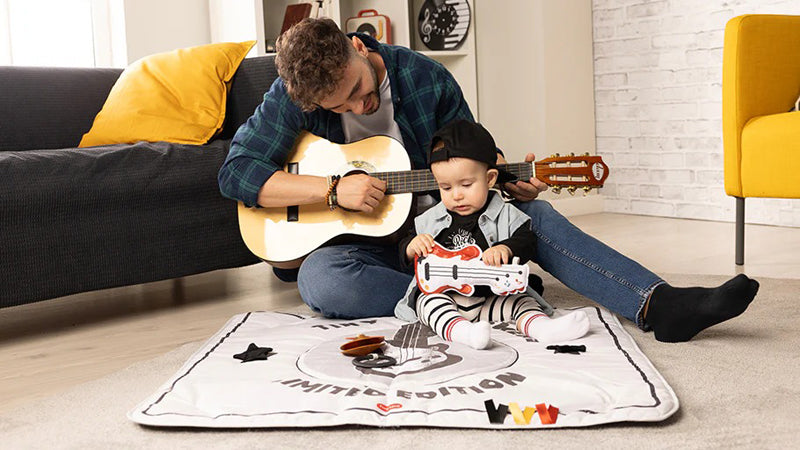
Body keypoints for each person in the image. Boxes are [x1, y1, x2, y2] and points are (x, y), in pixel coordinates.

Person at [218, 18, 759, 343]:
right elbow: (236, 173)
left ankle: (659, 306)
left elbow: (470, 158)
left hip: (446, 239)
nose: (358, 105)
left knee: (534, 217)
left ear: (361, 48)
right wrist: (333, 191)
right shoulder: (294, 96)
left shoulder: (425, 77)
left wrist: (503, 180)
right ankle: (489, 299)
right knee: (323, 280)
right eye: (340, 106)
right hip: (365, 250)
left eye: (359, 91)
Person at [396, 120, 590, 349]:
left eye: (466, 185)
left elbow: (527, 241)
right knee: (426, 302)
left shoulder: (505, 213)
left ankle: (541, 327)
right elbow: (405, 248)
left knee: (521, 301)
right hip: (450, 299)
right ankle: (462, 332)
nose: (456, 195)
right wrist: (411, 246)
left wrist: (505, 248)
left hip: (492, 297)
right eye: (446, 188)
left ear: (489, 179)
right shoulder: (430, 219)